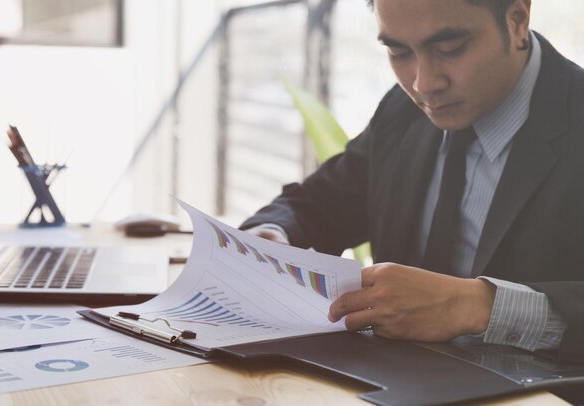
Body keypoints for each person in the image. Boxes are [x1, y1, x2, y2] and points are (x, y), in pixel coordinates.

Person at [240, 0, 584, 362]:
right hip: (387, 381)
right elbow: (317, 204)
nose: (423, 83)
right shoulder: (402, 111)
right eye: (398, 51)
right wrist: (271, 236)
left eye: (450, 49)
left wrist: (479, 306)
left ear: (516, 19)